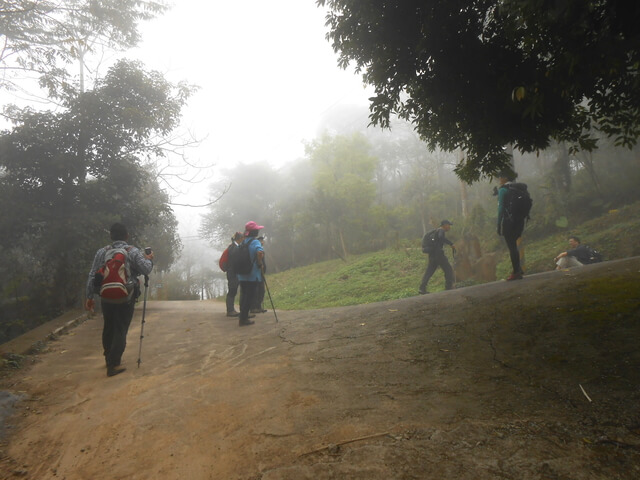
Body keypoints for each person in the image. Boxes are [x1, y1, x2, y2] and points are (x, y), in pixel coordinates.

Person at [85, 223, 154, 377]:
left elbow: (92, 275)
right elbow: (145, 269)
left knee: (109, 326)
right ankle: (113, 364)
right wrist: (149, 259)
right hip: (126, 296)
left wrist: (89, 296)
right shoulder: (133, 251)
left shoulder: (102, 252)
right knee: (120, 328)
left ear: (111, 236)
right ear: (127, 236)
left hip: (106, 295)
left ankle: (108, 357)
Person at [496, 170, 525, 281]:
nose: (499, 179)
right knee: (514, 246)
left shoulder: (503, 190)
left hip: (508, 222)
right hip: (519, 222)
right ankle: (518, 269)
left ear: (505, 178)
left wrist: (498, 224)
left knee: (512, 247)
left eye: (500, 177)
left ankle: (516, 272)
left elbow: (501, 209)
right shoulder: (517, 189)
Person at [237, 221, 265, 326]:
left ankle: (243, 316)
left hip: (242, 274)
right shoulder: (255, 242)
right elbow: (259, 252)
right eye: (257, 229)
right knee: (250, 296)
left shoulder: (243, 242)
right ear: (254, 231)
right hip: (252, 274)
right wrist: (259, 263)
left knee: (244, 295)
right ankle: (243, 319)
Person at [419, 220, 456, 294]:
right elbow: (441, 237)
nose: (449, 227)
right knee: (448, 269)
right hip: (439, 254)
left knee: (429, 271)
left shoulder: (436, 231)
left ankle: (422, 288)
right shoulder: (441, 230)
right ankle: (449, 287)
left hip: (432, 254)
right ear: (445, 225)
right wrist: (451, 243)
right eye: (449, 225)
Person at [224, 232, 244, 317]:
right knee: (232, 291)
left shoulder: (233, 247)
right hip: (233, 273)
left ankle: (231, 310)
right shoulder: (234, 248)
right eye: (243, 238)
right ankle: (230, 310)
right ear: (239, 238)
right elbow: (235, 262)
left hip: (233, 272)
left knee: (233, 290)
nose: (243, 239)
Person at [251, 235, 268, 314]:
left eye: (262, 240)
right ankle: (254, 307)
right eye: (260, 240)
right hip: (256, 273)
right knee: (256, 290)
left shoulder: (262, 250)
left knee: (262, 290)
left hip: (261, 273)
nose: (262, 242)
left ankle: (259, 306)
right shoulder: (256, 251)